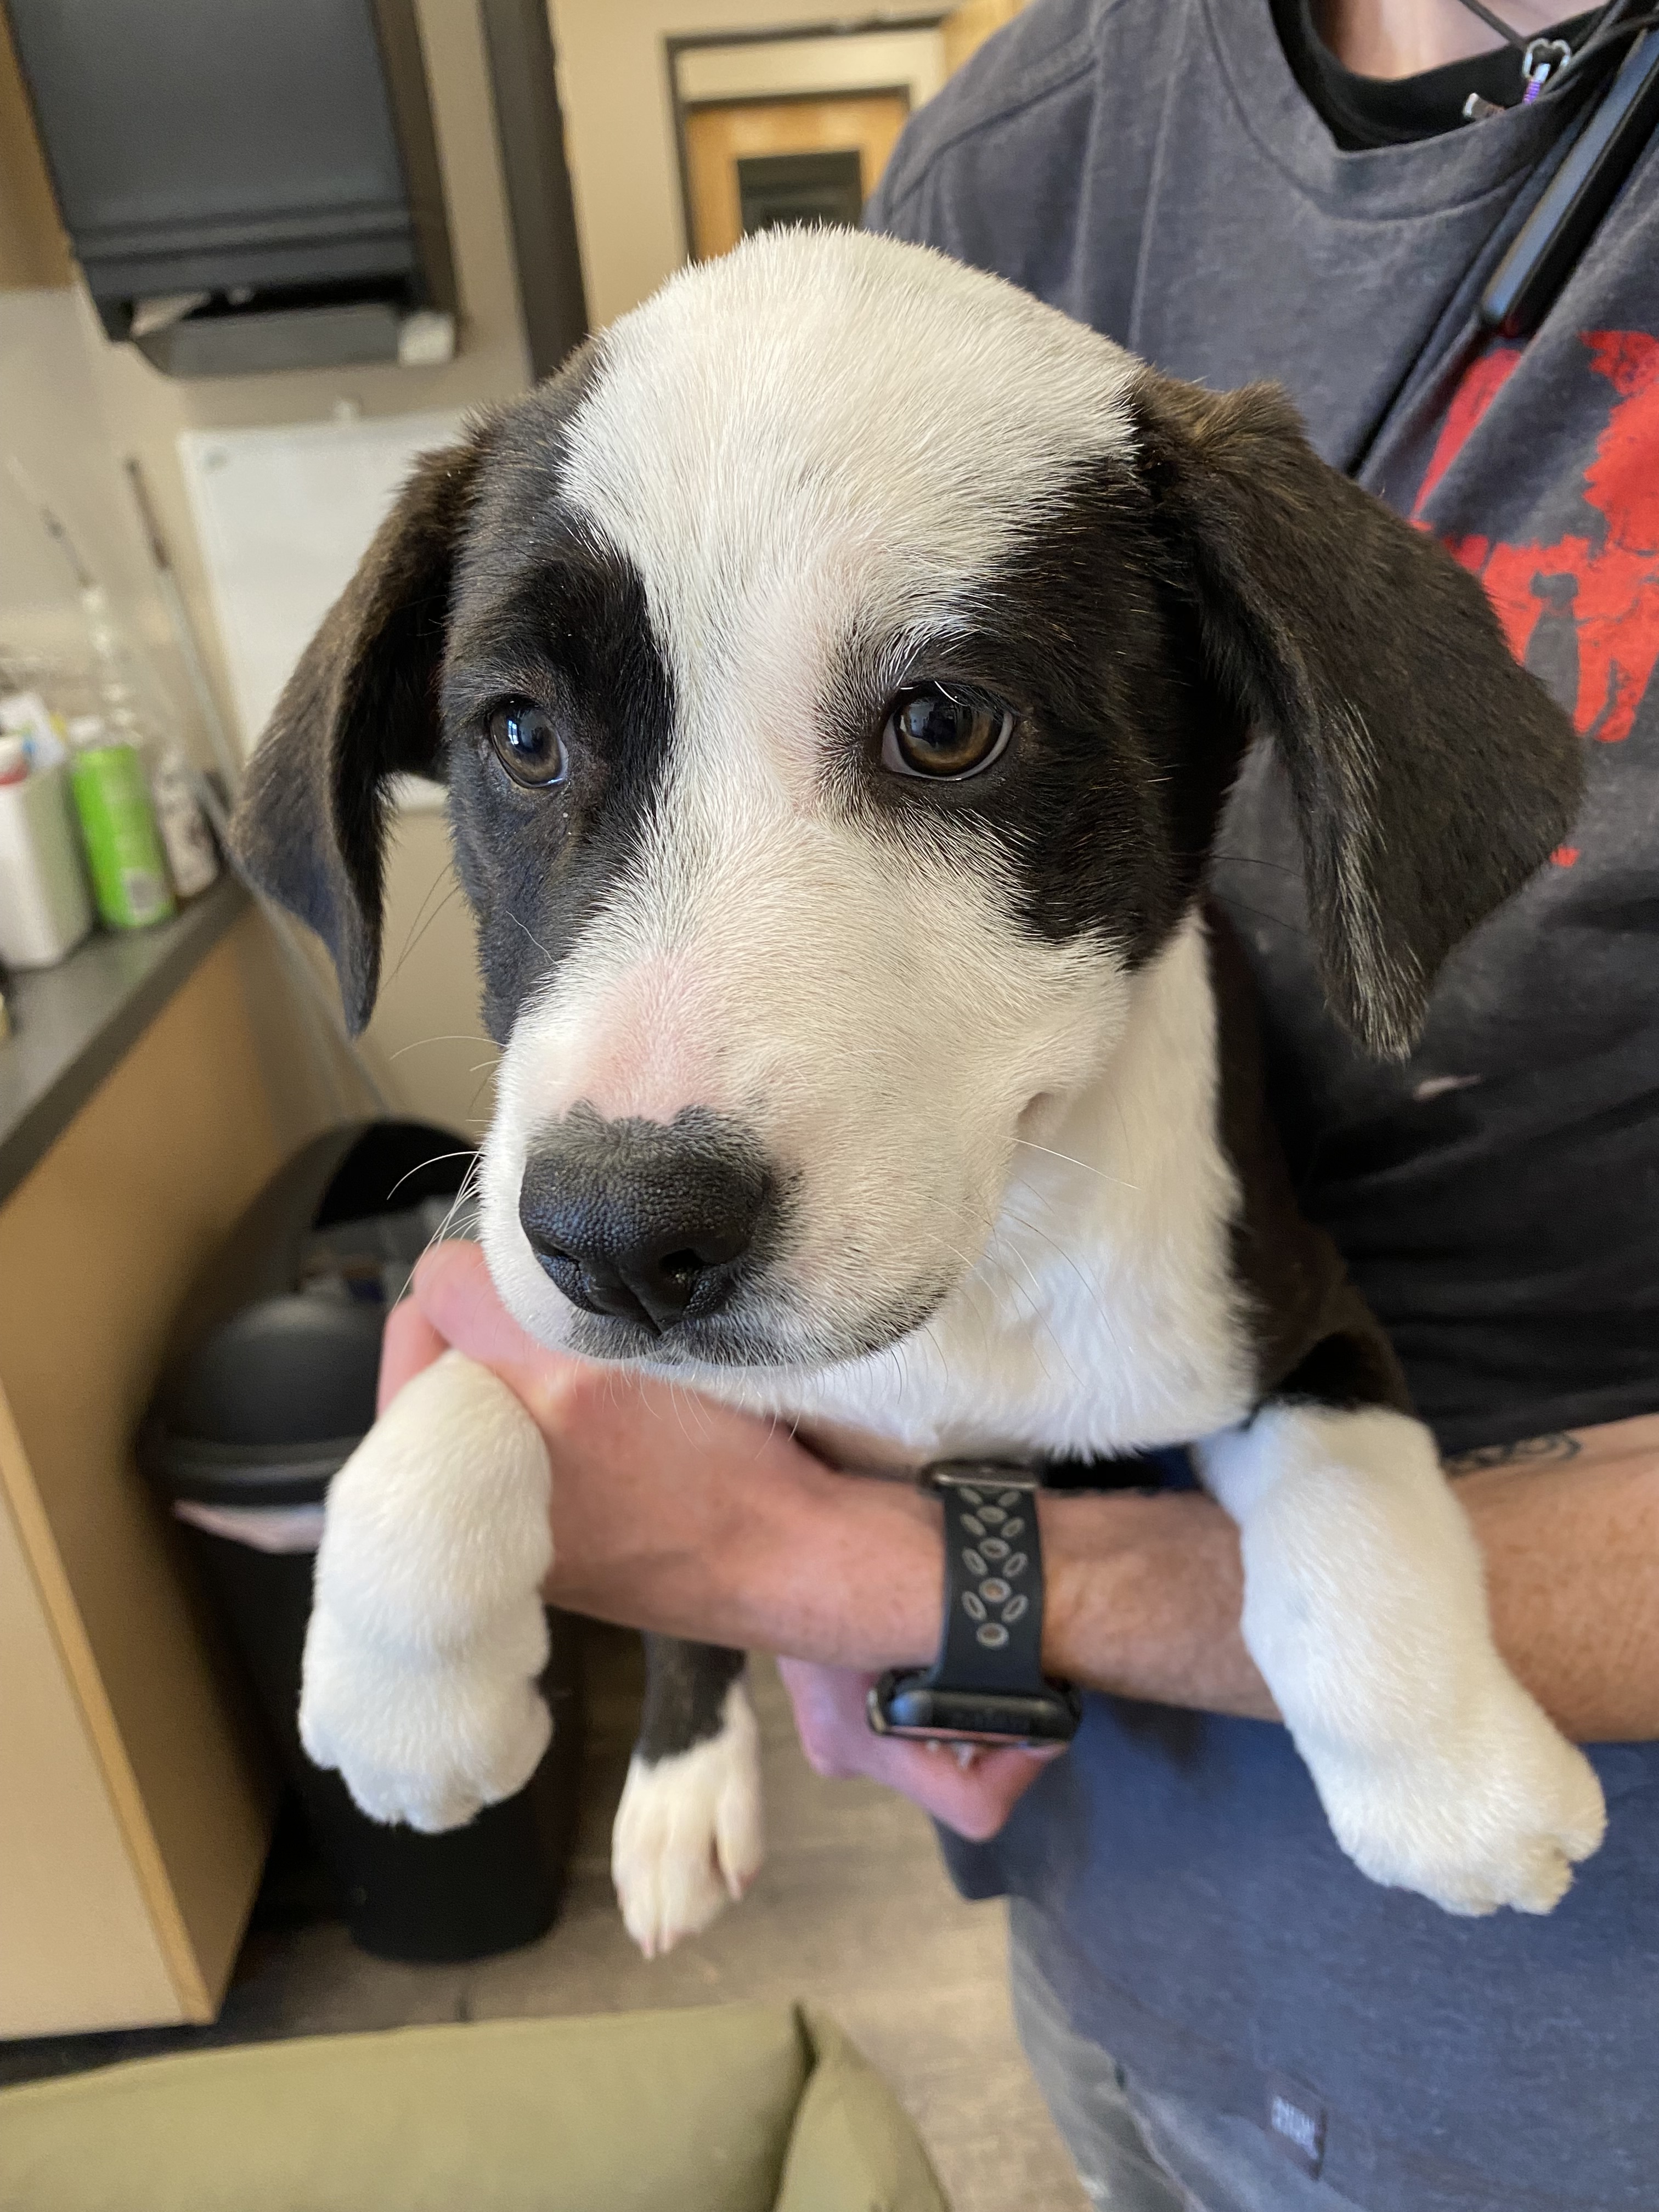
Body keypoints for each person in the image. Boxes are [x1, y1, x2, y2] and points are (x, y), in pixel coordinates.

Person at [394, 3, 1659, 2205]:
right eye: (524, 741)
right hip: (1113, 1949)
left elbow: (920, 1480)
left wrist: (869, 1579)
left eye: (946, 731)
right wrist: (728, 1600)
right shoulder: (1040, 130)